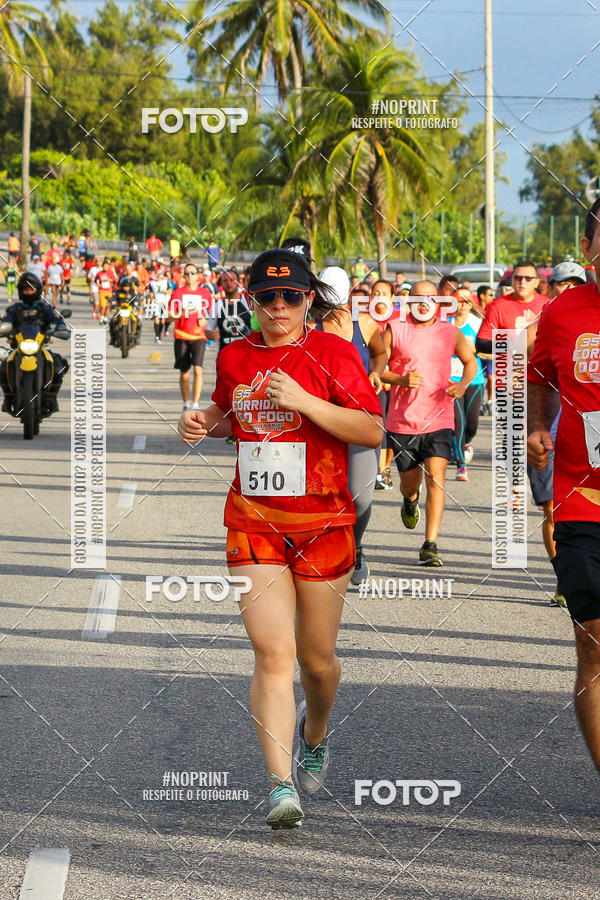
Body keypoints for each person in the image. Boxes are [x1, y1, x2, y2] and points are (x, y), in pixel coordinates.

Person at [177, 247, 382, 828]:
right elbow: (229, 415)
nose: (279, 307)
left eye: (291, 296)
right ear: (251, 302)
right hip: (254, 520)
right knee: (273, 653)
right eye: (267, 297)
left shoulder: (335, 353)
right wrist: (202, 422)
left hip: (324, 525)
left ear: (309, 299)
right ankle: (280, 785)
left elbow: (370, 428)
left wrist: (304, 400)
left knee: (317, 663)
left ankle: (314, 733)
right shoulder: (236, 355)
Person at [527, 197, 600, 770]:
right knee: (593, 644)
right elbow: (540, 379)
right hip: (584, 502)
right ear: (587, 250)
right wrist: (535, 425)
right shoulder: (563, 313)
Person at [382, 281, 477, 566]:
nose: (423, 303)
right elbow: (378, 369)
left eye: (429, 298)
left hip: (439, 417)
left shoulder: (450, 332)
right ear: (409, 302)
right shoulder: (395, 330)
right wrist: (399, 379)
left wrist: (462, 385)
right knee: (410, 484)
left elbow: (470, 361)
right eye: (417, 298)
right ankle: (410, 501)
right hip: (403, 422)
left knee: (436, 477)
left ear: (438, 302)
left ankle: (430, 544)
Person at [316, 266, 387, 583]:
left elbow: (381, 352)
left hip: (362, 419)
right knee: (322, 491)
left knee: (361, 496)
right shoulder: (309, 327)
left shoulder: (366, 323)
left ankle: (356, 548)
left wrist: (376, 372)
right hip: (322, 420)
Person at [525, 260, 587, 609]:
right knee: (552, 506)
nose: (568, 289)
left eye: (575, 283)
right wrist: (535, 426)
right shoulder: (551, 318)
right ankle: (563, 574)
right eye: (563, 283)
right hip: (556, 435)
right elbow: (535, 374)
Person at [0, 273, 69, 416]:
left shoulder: (45, 308)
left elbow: (57, 319)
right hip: (19, 347)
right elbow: (5, 322)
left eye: (32, 289)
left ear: (38, 290)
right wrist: (3, 329)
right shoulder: (14, 309)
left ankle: (52, 396)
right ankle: (8, 397)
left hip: (40, 346)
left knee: (59, 366)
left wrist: (61, 327)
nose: (28, 292)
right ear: (21, 291)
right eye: (25, 289)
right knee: (2, 368)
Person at [450, 289, 485, 481]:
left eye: (466, 301)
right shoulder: (445, 324)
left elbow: (490, 352)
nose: (463, 305)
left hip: (474, 379)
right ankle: (461, 465)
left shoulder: (478, 324)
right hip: (452, 379)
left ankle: (468, 441)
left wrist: (475, 349)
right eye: (459, 301)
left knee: (472, 423)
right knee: (458, 422)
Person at [167, 262, 212, 410]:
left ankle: (196, 403)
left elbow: (210, 315)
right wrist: (181, 313)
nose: (189, 276)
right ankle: (186, 403)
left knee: (198, 370)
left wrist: (204, 320)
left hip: (199, 336)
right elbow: (169, 317)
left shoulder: (205, 294)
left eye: (192, 273)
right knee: (184, 373)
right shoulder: (178, 293)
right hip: (181, 335)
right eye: (186, 273)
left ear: (198, 275)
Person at [205, 269, 251, 354]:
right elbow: (208, 330)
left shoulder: (248, 303)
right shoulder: (217, 305)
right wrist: (212, 335)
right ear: (221, 283)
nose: (229, 283)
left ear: (238, 282)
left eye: (232, 280)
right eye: (225, 280)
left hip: (247, 356)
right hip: (225, 356)